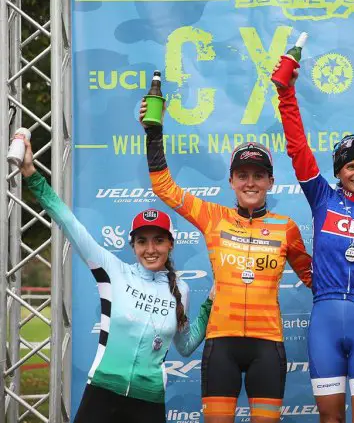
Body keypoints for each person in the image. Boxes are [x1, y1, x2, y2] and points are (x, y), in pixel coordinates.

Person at [140, 103, 313, 423]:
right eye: (243, 175)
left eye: (259, 175)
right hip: (221, 345)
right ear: (231, 180)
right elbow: (164, 187)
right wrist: (154, 134)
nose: (251, 182)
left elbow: (315, 278)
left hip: (268, 346)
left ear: (271, 182)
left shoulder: (285, 227)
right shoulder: (213, 218)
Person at [20, 138, 213, 423]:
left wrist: (210, 304)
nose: (151, 249)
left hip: (149, 401)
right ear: (132, 245)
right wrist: (31, 174)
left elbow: (185, 346)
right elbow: (68, 221)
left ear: (171, 245)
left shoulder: (180, 290)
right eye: (143, 241)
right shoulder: (113, 270)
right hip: (102, 392)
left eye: (159, 240)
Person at [274, 64, 354, 423]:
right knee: (329, 420)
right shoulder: (322, 199)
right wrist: (286, 94)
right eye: (350, 167)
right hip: (325, 320)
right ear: (338, 172)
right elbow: (297, 148)